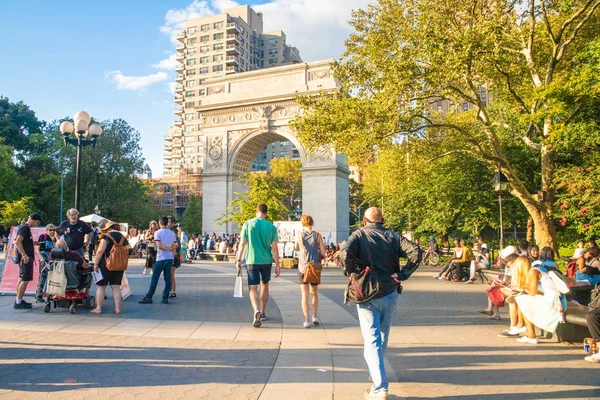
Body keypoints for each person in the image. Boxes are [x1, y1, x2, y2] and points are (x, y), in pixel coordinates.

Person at [340, 207, 421, 400]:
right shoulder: (393, 236)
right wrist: (402, 275)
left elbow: (344, 253)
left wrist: (351, 272)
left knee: (372, 339)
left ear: (365, 221)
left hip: (367, 292)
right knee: (382, 335)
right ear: (382, 220)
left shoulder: (358, 235)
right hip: (390, 290)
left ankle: (379, 386)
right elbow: (416, 252)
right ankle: (376, 372)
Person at [234, 204, 280, 328]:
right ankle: (263, 312)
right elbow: (274, 248)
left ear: (257, 211)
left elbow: (242, 244)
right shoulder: (271, 227)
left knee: (252, 288)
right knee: (265, 285)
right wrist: (278, 264)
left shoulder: (248, 224)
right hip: (266, 260)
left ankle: (256, 310)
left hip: (251, 260)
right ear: (266, 212)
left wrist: (238, 259)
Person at [515, 248, 565, 344]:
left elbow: (532, 292)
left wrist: (522, 288)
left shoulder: (533, 271)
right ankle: (521, 326)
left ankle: (530, 334)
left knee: (522, 300)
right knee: (522, 298)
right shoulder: (544, 268)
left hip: (554, 303)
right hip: (556, 299)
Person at [294, 214, 327, 328]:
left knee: (304, 294)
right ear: (312, 223)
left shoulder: (299, 234)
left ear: (302, 223)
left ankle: (306, 320)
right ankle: (315, 316)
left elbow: (297, 248)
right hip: (314, 267)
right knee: (314, 293)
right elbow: (323, 253)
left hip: (303, 267)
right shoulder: (318, 235)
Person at [138, 217, 177, 305]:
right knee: (167, 278)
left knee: (155, 278)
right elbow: (175, 245)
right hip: (169, 258)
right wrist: (172, 253)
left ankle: (149, 296)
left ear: (160, 223)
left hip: (161, 258)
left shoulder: (157, 233)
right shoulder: (172, 233)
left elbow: (159, 245)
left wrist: (167, 249)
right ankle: (165, 297)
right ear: (167, 223)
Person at [91, 221, 128, 314]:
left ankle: (98, 308)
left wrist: (95, 264)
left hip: (105, 264)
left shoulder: (106, 236)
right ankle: (117, 308)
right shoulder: (123, 238)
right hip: (119, 265)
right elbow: (127, 250)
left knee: (101, 287)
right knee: (116, 286)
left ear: (108, 228)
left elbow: (100, 251)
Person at [13, 213, 43, 309]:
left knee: (21, 278)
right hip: (25, 258)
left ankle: (19, 299)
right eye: (37, 223)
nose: (37, 225)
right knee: (25, 280)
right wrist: (24, 255)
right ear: (34, 220)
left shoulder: (25, 227)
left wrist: (32, 243)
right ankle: (18, 302)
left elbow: (23, 241)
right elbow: (18, 242)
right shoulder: (25, 228)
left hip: (25, 256)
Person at [479, 253, 520, 320]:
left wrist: (495, 283)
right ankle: (494, 312)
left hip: (516, 290)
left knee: (493, 289)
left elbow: (505, 281)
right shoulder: (514, 268)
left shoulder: (514, 269)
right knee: (494, 288)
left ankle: (493, 312)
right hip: (513, 287)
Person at [35, 224, 58, 302]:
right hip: (44, 258)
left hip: (51, 259)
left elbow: (55, 249)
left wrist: (54, 239)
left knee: (51, 276)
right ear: (46, 230)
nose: (52, 232)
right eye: (50, 230)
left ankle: (49, 294)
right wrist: (41, 258)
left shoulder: (54, 239)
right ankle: (38, 295)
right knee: (43, 276)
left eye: (53, 230)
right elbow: (37, 249)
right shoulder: (42, 237)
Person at [170, 225, 182, 298]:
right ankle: (171, 290)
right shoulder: (175, 238)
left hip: (174, 258)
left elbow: (176, 246)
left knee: (171, 275)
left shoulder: (175, 238)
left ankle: (172, 291)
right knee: (170, 275)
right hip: (174, 257)